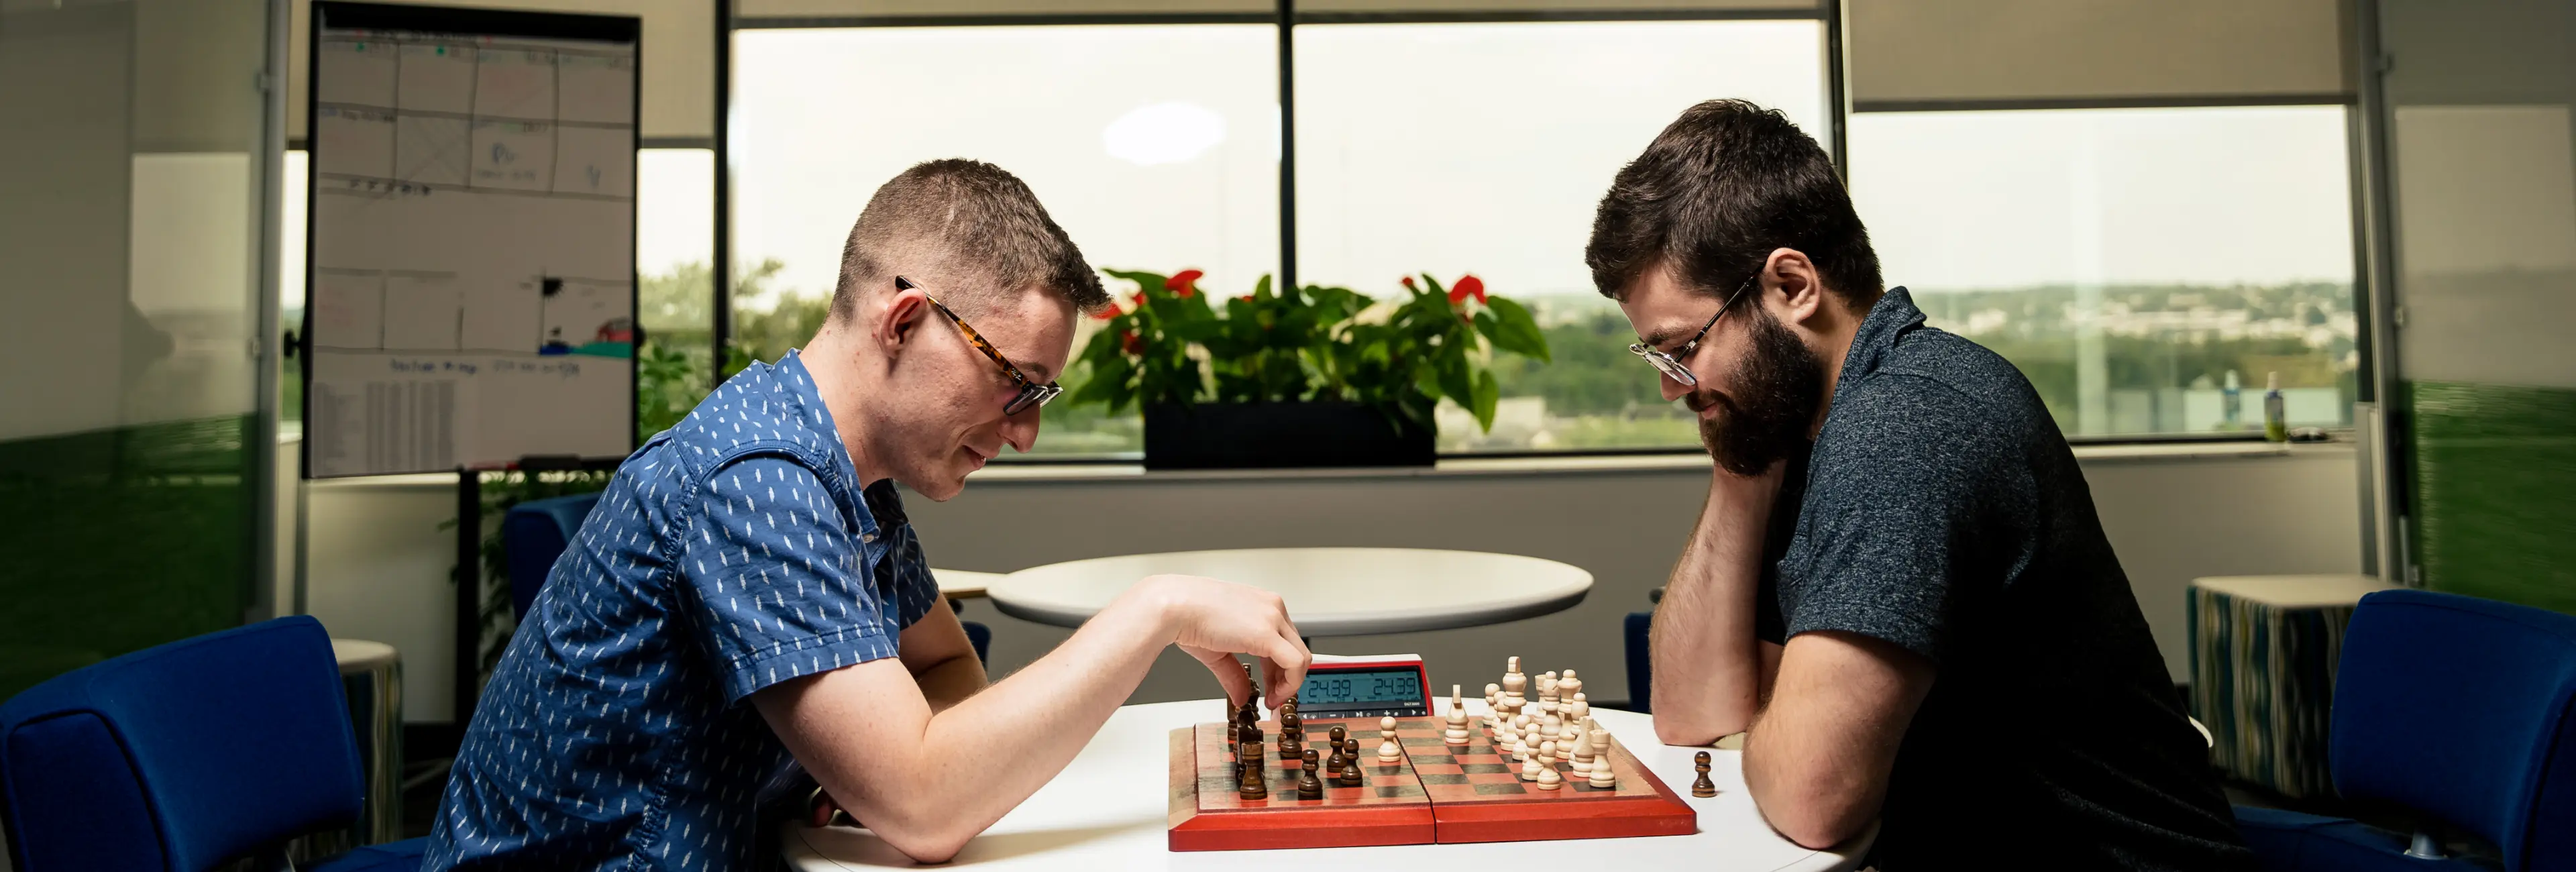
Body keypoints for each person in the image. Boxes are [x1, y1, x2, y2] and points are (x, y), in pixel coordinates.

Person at [425, 160, 1312, 870]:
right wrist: (1154, 611)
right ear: (905, 321)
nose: (1029, 432)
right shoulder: (756, 480)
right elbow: (926, 808)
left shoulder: (846, 476)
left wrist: (868, 772)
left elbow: (944, 665)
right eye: (1016, 383)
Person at [1591, 100, 2252, 869]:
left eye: (1684, 347)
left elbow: (1813, 796)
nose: (1676, 387)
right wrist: (1741, 466)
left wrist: (1773, 708)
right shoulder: (1806, 427)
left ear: (1794, 284)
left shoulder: (1909, 420)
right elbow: (1690, 713)